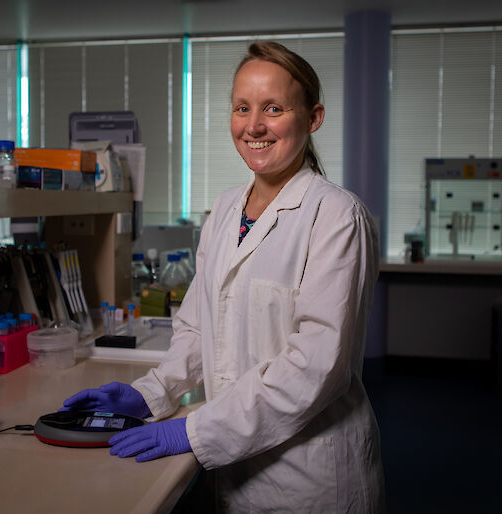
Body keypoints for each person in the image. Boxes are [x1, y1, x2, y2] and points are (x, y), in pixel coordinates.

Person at [62, 40, 386, 513]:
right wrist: (149, 393)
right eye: (242, 108)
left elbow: (316, 366)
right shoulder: (224, 211)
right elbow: (197, 328)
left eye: (273, 108)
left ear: (313, 118)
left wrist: (195, 430)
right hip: (234, 473)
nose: (253, 125)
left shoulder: (336, 215)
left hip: (310, 478)